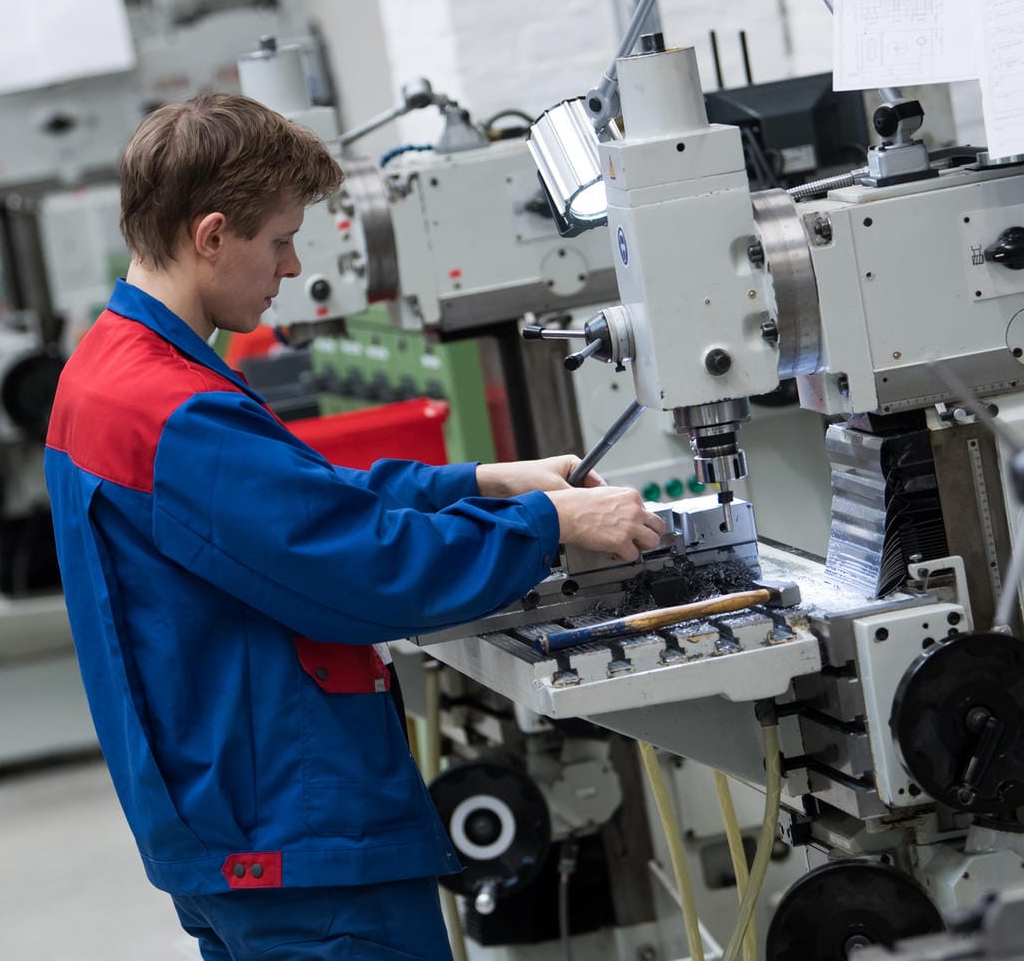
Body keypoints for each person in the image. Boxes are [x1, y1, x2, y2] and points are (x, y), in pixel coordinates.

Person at [44, 92, 666, 960]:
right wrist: (547, 524)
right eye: (280, 240)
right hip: (300, 839)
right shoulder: (171, 407)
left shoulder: (108, 372)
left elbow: (299, 499)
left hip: (227, 822)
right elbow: (362, 570)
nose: (293, 267)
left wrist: (481, 482)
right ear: (212, 235)